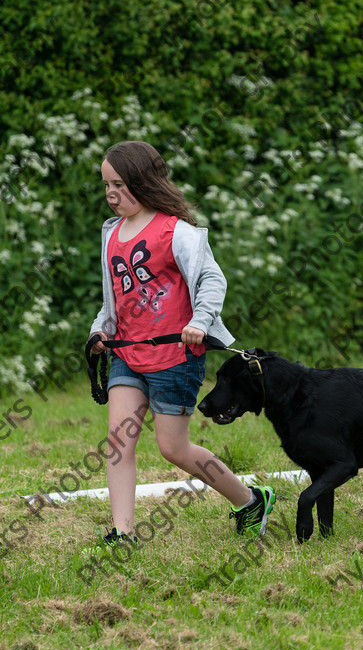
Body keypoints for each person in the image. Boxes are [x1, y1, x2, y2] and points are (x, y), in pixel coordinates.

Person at [88, 140, 275, 545]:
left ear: (143, 181)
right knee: (118, 443)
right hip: (127, 353)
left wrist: (199, 321)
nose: (111, 193)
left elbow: (212, 279)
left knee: (173, 448)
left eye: (119, 184)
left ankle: (250, 500)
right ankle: (122, 533)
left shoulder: (177, 232)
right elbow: (113, 296)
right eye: (106, 185)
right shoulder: (112, 235)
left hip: (175, 356)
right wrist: (100, 332)